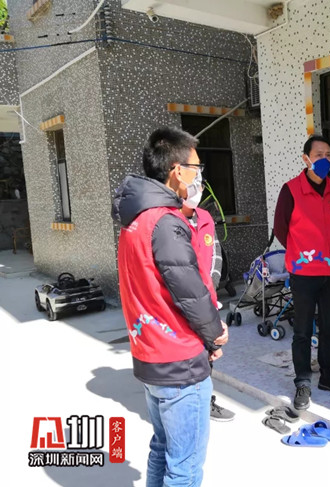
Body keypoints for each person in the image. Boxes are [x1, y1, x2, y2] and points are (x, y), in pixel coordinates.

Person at [112, 127, 230, 487]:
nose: (200, 176)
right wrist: (215, 334)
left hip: (150, 354)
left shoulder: (136, 220)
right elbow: (190, 293)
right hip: (179, 362)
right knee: (185, 467)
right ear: (178, 171)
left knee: (162, 449)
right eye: (197, 168)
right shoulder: (165, 222)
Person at [274, 134, 330, 410]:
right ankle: (303, 382)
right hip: (304, 274)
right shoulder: (291, 190)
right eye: (319, 154)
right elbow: (280, 229)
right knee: (302, 330)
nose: (325, 159)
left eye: (328, 155)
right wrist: (301, 253)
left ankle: (329, 376)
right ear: (306, 159)